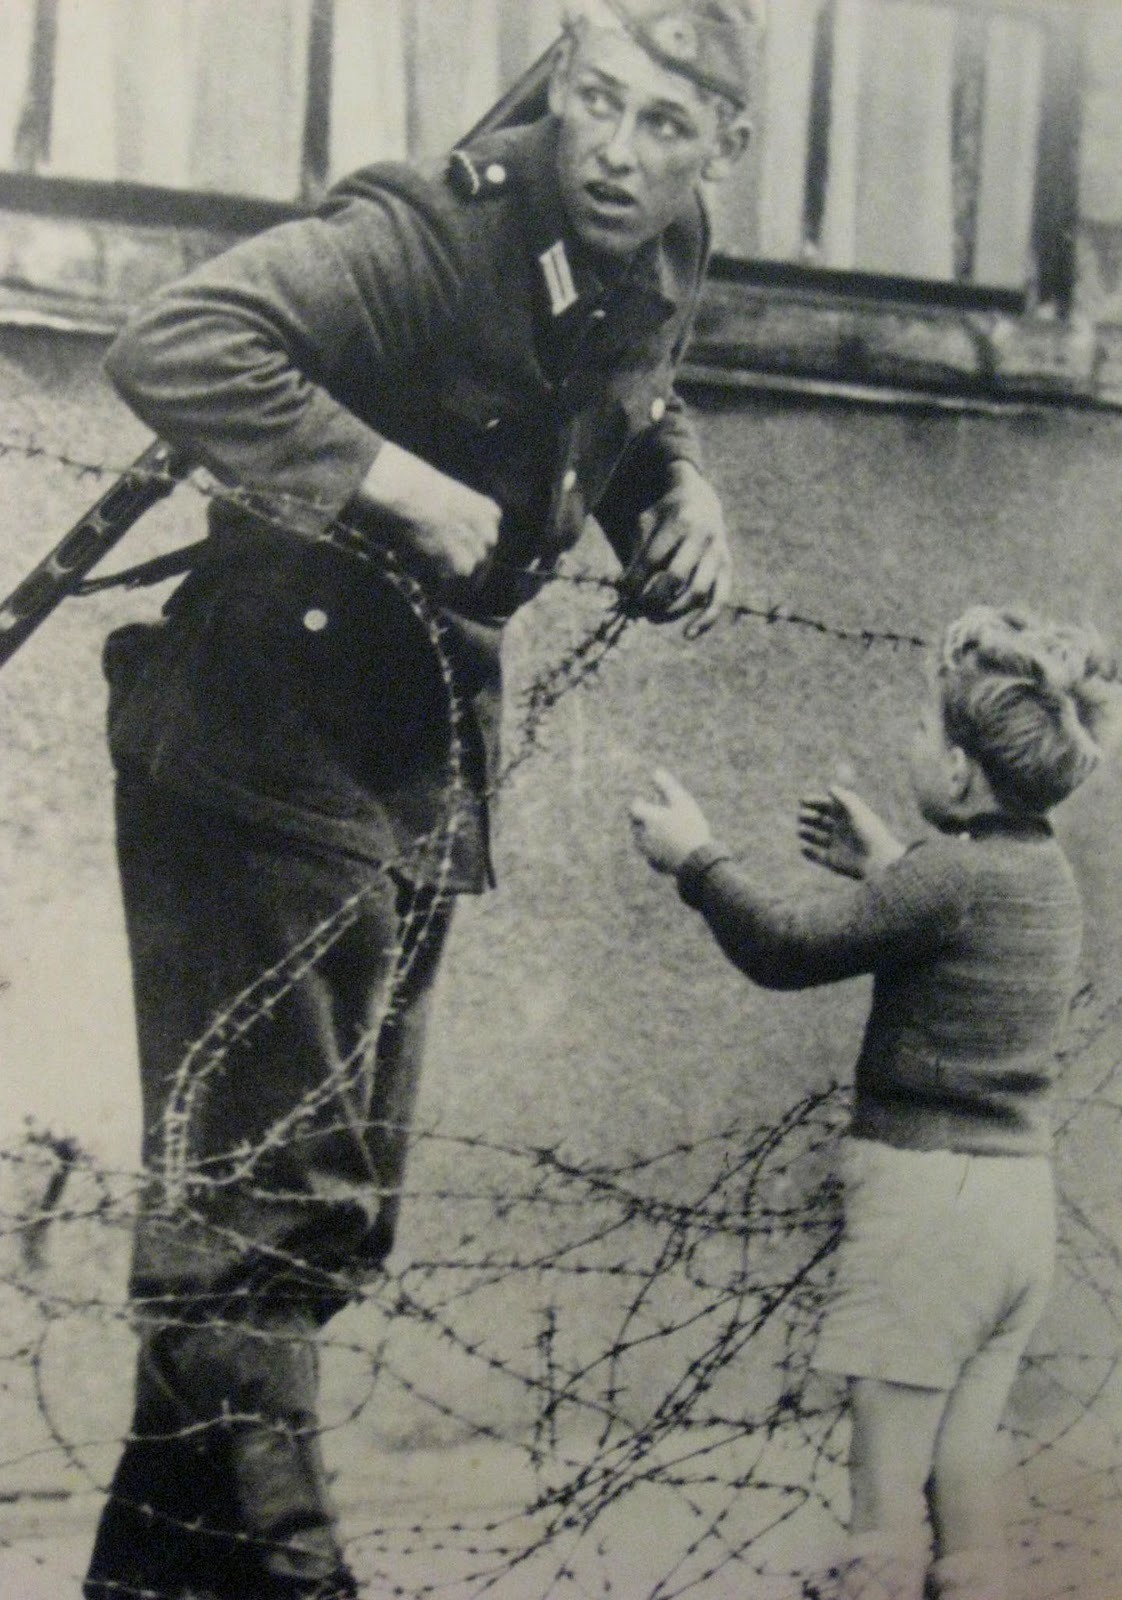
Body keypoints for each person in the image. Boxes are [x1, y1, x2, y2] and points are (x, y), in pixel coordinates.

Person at [83, 5, 756, 1598]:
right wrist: (395, 481)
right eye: (596, 99)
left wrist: (681, 491)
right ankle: (306, 1579)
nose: (613, 147)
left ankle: (146, 1579)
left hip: (415, 763)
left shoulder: (666, 250)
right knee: (267, 1212)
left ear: (721, 149)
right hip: (263, 742)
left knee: (313, 1216)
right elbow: (173, 342)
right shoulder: (434, 225)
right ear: (562, 85)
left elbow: (641, 392)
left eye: (666, 124)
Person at [629, 606, 1122, 1600]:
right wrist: (888, 867)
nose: (909, 741)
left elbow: (785, 947)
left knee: (881, 1498)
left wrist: (695, 859)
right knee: (964, 1470)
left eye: (921, 730)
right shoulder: (1042, 875)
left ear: (956, 772)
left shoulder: (943, 876)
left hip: (925, 1211)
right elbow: (956, 924)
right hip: (1012, 1209)